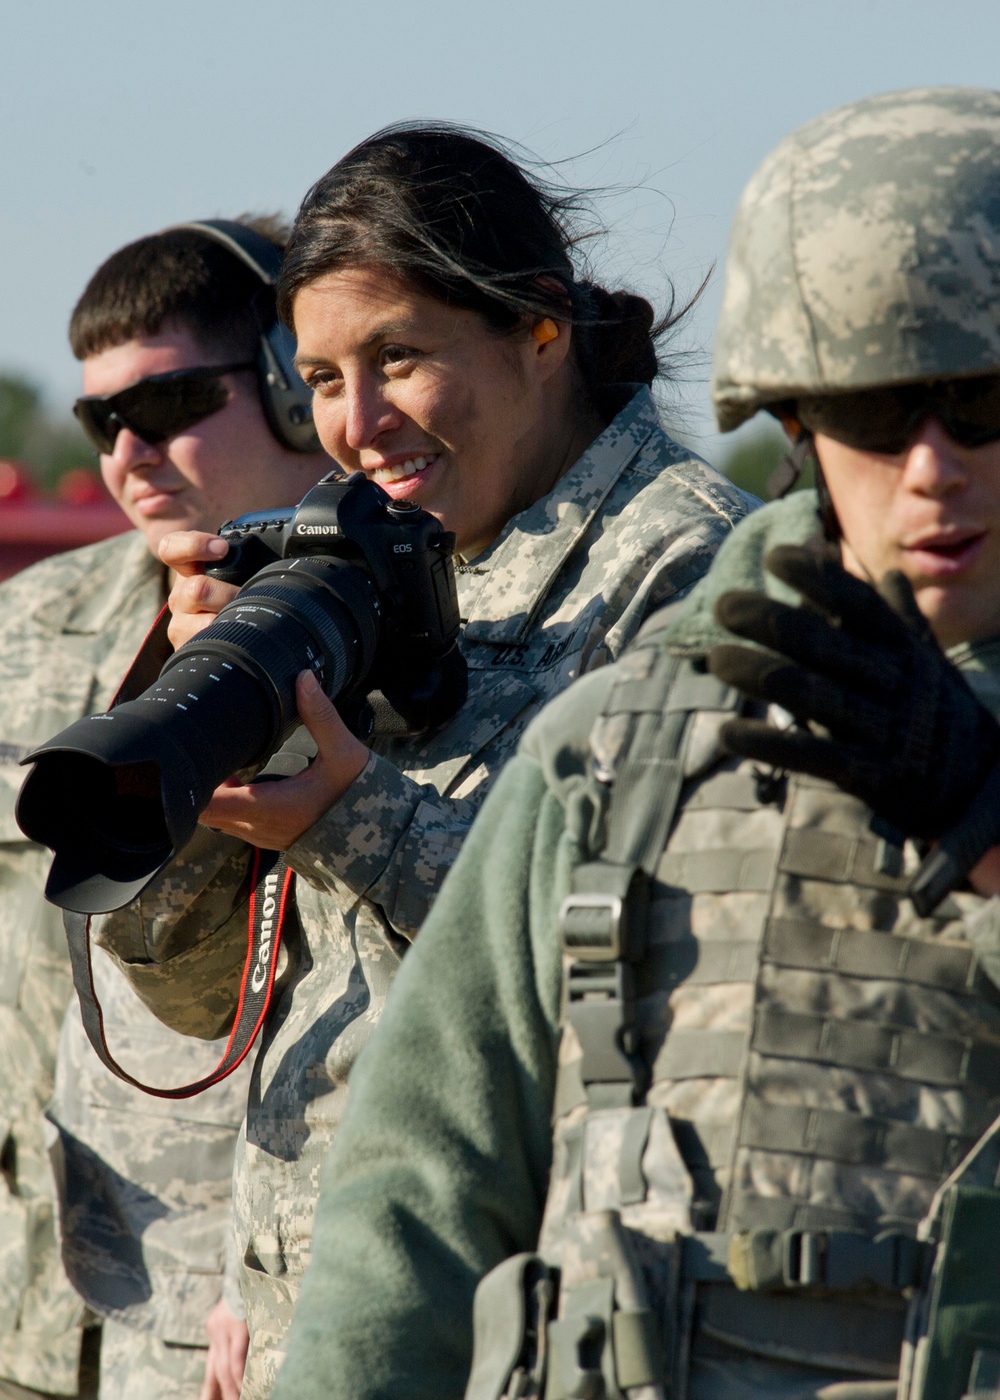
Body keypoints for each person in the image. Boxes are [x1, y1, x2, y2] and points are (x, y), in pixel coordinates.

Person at [265, 87, 1000, 1400]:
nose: (935, 468)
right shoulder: (633, 738)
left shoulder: (654, 571)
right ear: (798, 421)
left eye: (984, 406)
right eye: (881, 415)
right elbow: (417, 1201)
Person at [81, 123, 755, 1398]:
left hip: (531, 1331)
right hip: (313, 1323)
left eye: (398, 357)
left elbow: (680, 979)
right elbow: (204, 997)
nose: (356, 422)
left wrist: (360, 819)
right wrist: (206, 735)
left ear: (538, 326)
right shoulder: (377, 564)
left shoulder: (697, 576)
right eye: (323, 376)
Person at [0, 217, 327, 1400]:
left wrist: (285, 1265)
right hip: (30, 1304)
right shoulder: (33, 628)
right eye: (100, 422)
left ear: (294, 385)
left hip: (230, 1323)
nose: (128, 453)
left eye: (173, 400)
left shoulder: (395, 634)